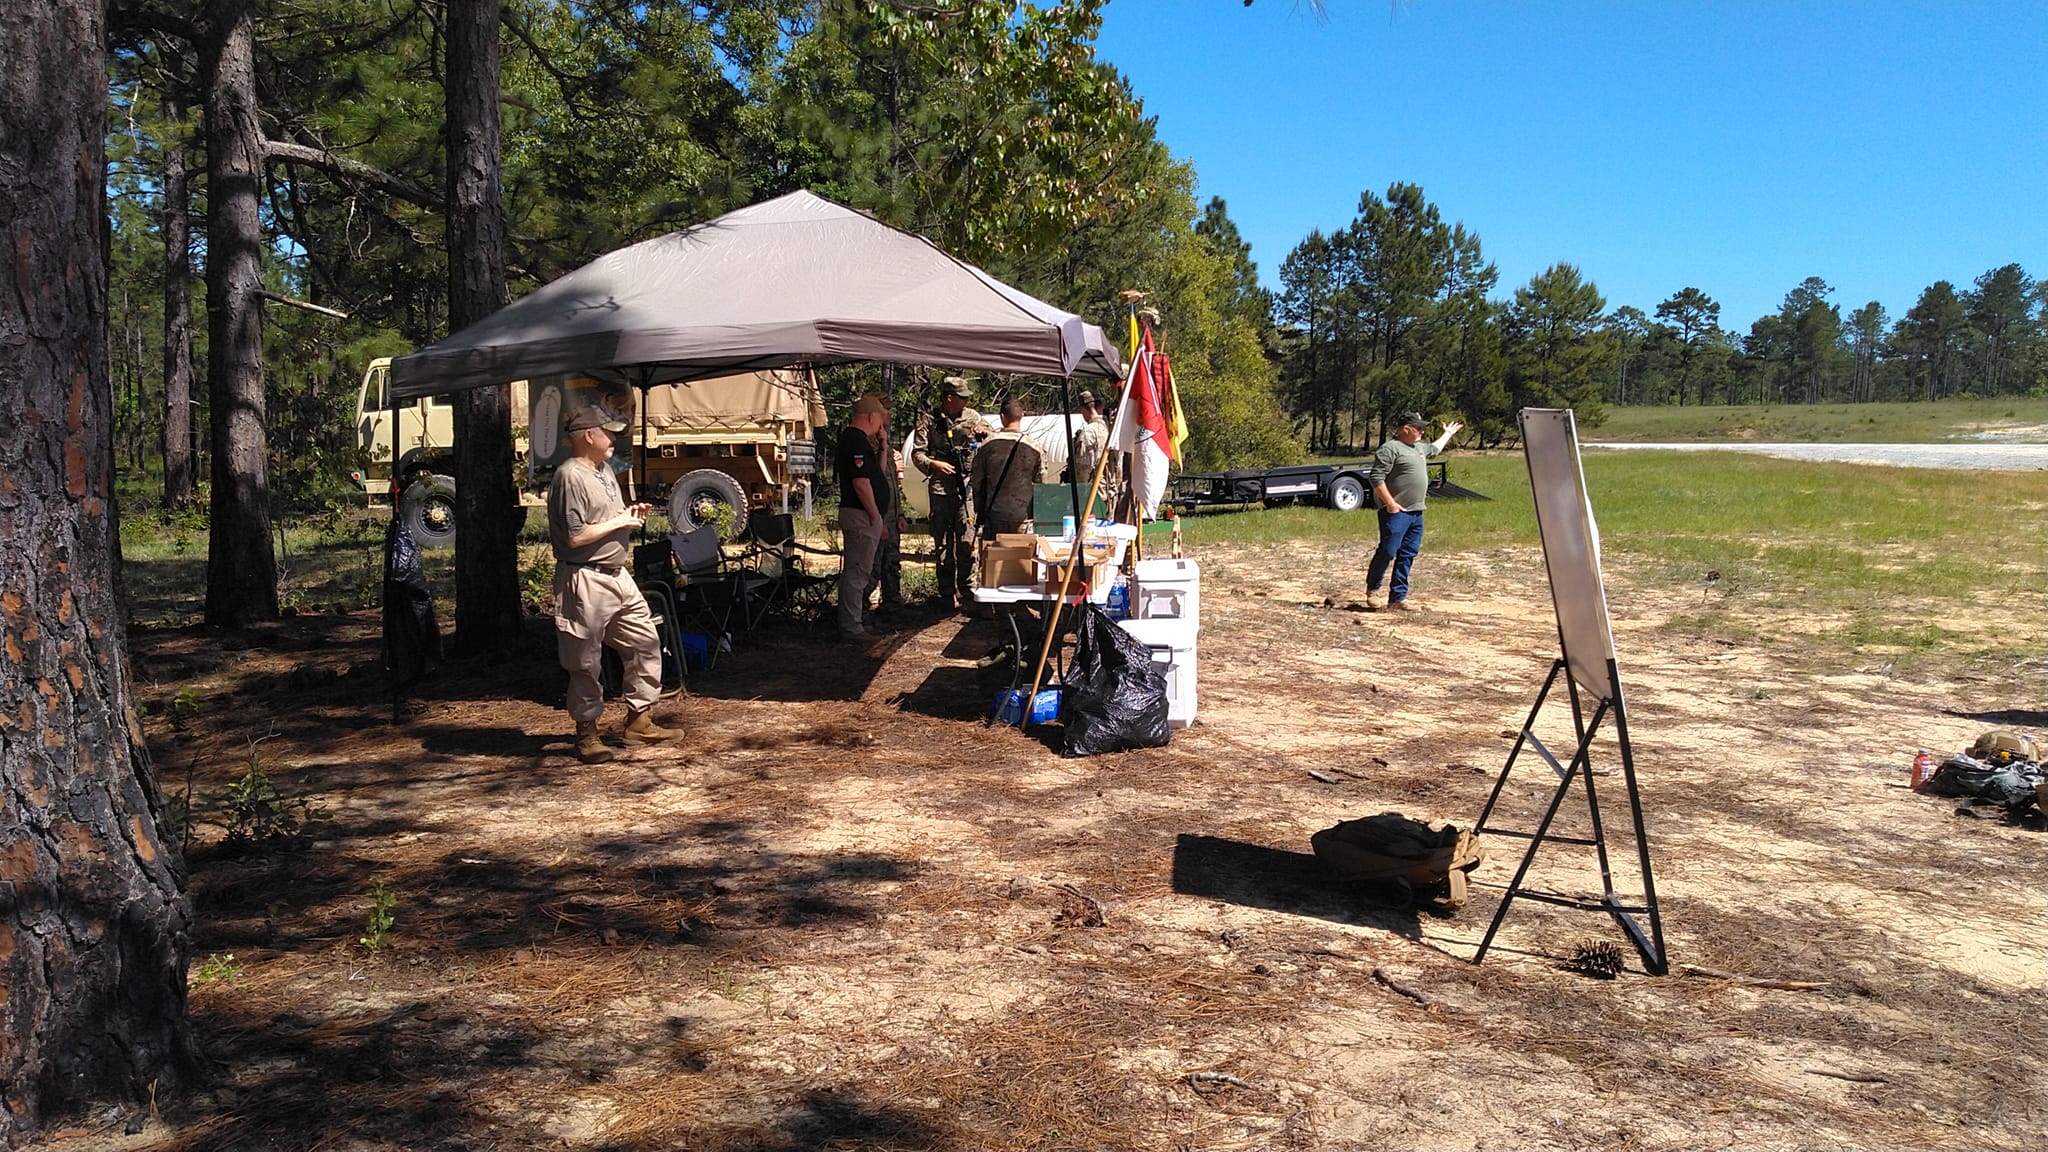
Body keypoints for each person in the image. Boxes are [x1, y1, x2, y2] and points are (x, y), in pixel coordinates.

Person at [548, 405, 680, 764]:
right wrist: (619, 522)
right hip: (584, 577)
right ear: (588, 435)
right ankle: (587, 733)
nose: (614, 439)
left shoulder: (603, 470)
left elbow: (604, 520)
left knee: (645, 641)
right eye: (608, 433)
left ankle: (639, 721)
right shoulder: (569, 476)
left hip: (617, 575)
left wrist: (628, 516)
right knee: (584, 659)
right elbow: (574, 537)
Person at [1366, 411, 1464, 612]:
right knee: (1388, 550)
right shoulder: (1390, 448)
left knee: (1408, 554)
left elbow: (1435, 449)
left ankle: (1398, 597)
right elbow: (1376, 478)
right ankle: (1373, 590)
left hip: (1416, 512)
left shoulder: (1419, 448)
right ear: (1406, 429)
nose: (1422, 431)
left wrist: (1448, 434)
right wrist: (1390, 504)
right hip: (1396, 512)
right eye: (1418, 428)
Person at [910, 376, 984, 610]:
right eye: (962, 397)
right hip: (940, 489)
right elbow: (917, 453)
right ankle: (946, 594)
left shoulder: (972, 417)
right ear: (949, 398)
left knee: (967, 541)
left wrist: (983, 431)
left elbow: (989, 436)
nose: (966, 401)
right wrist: (934, 464)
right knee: (942, 544)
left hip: (965, 488)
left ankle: (968, 592)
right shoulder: (929, 420)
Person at [836, 393, 892, 641]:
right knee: (857, 572)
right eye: (880, 419)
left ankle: (854, 622)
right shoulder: (854, 440)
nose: (881, 425)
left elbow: (875, 475)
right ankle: (851, 627)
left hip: (865, 515)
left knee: (860, 570)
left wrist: (883, 448)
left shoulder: (861, 442)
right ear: (871, 416)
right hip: (861, 515)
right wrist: (874, 515)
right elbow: (861, 483)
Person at [971, 398, 1045, 538]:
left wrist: (979, 512)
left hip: (994, 516)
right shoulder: (1035, 448)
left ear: (1002, 417)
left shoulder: (987, 445)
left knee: (994, 552)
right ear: (1022, 415)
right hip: (1023, 518)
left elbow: (977, 483)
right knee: (1020, 552)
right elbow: (1041, 485)